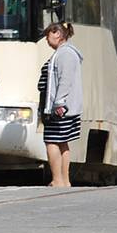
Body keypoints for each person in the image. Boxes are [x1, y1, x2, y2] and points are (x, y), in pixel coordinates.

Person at [39, 21, 84, 188]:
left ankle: (58, 179)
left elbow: (65, 80)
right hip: (65, 106)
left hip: (59, 107)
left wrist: (58, 102)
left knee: (52, 141)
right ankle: (64, 180)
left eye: (47, 36)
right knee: (62, 142)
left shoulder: (65, 54)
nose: (46, 40)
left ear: (57, 34)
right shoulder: (66, 53)